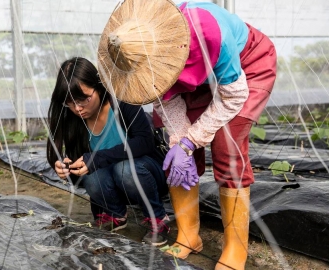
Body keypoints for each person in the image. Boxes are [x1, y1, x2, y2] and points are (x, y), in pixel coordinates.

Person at [97, 0, 277, 269]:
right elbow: (164, 100)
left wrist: (191, 140)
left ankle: (235, 249)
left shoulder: (208, 33)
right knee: (175, 152)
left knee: (228, 146)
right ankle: (189, 236)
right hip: (193, 69)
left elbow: (233, 96)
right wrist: (180, 144)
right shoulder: (138, 57)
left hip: (246, 63)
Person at [46, 57, 170, 246]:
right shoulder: (74, 121)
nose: (78, 108)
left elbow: (145, 142)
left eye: (84, 99)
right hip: (114, 186)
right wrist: (67, 169)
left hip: (146, 176)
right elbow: (81, 176)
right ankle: (115, 215)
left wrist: (98, 158)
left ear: (99, 86)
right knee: (92, 176)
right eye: (70, 103)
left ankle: (157, 218)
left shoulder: (122, 102)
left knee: (125, 169)